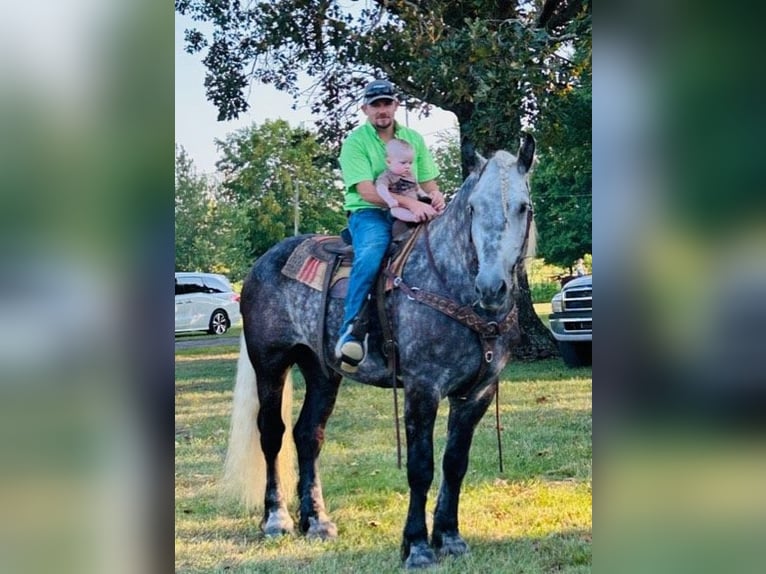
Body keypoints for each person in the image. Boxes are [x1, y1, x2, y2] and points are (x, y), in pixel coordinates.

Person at [334, 79, 446, 373]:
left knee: (445, 249)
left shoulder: (412, 138)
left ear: (396, 105)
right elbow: (367, 191)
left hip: (411, 208)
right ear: (365, 109)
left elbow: (426, 181)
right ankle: (351, 330)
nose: (382, 110)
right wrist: (411, 203)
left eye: (387, 103)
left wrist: (434, 196)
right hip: (370, 212)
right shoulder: (355, 142)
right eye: (376, 105)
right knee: (371, 253)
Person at [375, 138, 433, 223]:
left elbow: (417, 189)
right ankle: (414, 218)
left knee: (430, 205)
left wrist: (426, 196)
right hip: (399, 206)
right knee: (395, 211)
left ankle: (436, 214)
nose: (408, 166)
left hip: (416, 205)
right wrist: (389, 199)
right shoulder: (387, 176)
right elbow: (381, 188)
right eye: (403, 163)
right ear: (388, 162)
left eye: (410, 163)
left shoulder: (410, 174)